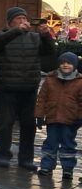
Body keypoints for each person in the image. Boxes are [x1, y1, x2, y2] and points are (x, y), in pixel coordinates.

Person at [0, 6, 56, 170]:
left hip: (29, 88)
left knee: (28, 126)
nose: (23, 21)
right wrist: (16, 31)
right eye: (19, 19)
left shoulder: (34, 37)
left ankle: (26, 159)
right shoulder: (2, 35)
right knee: (6, 124)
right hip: (8, 88)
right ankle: (3, 156)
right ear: (10, 22)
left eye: (24, 18)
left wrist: (46, 34)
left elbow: (50, 51)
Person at [35, 52, 82, 180]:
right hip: (52, 118)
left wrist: (79, 117)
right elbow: (42, 98)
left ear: (74, 65)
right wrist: (39, 115)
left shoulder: (79, 82)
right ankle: (46, 166)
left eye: (69, 63)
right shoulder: (50, 80)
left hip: (70, 120)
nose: (65, 65)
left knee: (68, 145)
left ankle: (67, 169)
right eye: (63, 63)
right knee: (50, 143)